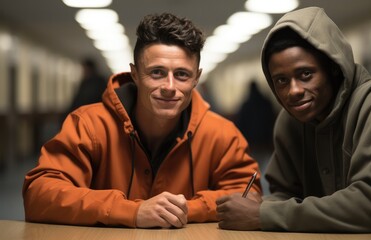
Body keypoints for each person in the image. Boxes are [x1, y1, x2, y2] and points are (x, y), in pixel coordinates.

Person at [23, 13, 261, 229]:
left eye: (181, 75)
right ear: (135, 74)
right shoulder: (88, 124)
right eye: (157, 72)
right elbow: (39, 194)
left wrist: (186, 209)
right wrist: (133, 211)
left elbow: (248, 196)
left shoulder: (222, 133)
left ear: (196, 78)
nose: (169, 87)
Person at [216, 7, 371, 239]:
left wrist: (263, 214)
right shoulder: (290, 122)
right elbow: (284, 195)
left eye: (305, 74)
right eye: (281, 80)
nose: (294, 91)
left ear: (333, 68)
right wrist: (260, 206)